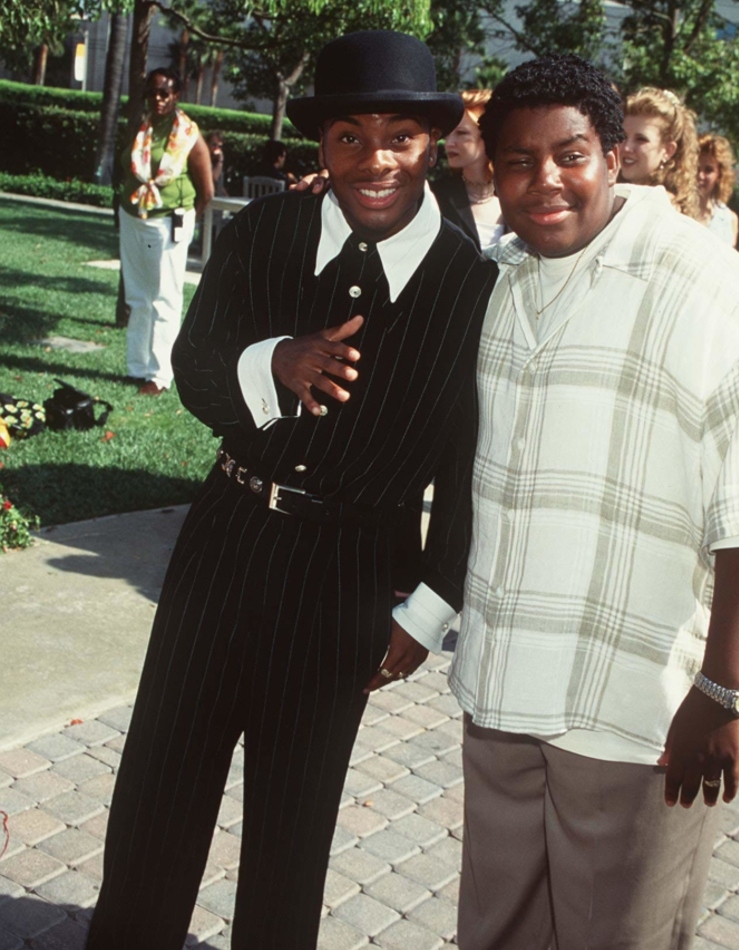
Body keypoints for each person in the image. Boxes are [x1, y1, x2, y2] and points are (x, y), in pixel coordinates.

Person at [85, 30, 497, 950]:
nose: (374, 159)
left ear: (433, 143)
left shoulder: (471, 287)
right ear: (322, 145)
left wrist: (429, 606)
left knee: (293, 825)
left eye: (399, 136)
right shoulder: (263, 231)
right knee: (159, 788)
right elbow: (192, 367)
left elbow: (472, 466)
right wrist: (276, 362)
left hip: (347, 577)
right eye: (349, 136)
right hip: (224, 542)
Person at [446, 53, 739, 949]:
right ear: (491, 167)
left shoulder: (703, 286)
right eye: (518, 161)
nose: (545, 181)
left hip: (639, 719)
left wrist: (725, 691)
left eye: (570, 154)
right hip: (502, 694)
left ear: (614, 154)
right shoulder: (497, 281)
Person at [118, 68, 213, 396]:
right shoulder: (142, 127)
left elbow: (207, 192)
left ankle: (159, 375)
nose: (158, 99)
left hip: (168, 222)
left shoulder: (189, 135)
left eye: (165, 93)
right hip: (134, 217)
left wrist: (185, 220)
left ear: (176, 95)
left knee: (164, 298)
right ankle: (137, 366)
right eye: (153, 93)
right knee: (138, 295)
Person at [433, 89, 505, 250]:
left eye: (461, 133)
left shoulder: (515, 195)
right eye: (449, 134)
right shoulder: (435, 196)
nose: (449, 142)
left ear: (488, 138)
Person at [621, 85, 700, 219]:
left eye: (641, 139)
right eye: (622, 137)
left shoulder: (664, 208)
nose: (626, 147)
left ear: (668, 151)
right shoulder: (617, 193)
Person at [697, 132, 739, 246]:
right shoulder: (675, 208)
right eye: (696, 168)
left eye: (708, 170)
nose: (700, 175)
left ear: (720, 175)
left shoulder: (728, 220)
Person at [208, 130, 228, 197]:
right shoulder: (206, 159)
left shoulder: (216, 160)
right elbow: (214, 179)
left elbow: (219, 185)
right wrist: (220, 160)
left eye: (219, 146)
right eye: (214, 145)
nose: (217, 148)